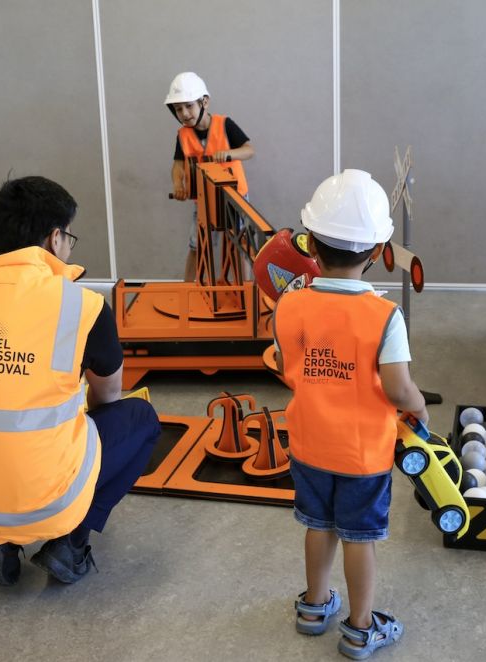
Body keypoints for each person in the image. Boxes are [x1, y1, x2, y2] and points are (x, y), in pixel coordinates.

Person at [0, 176, 161, 587]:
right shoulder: (81, 306)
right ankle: (70, 543)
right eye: (69, 237)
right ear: (54, 238)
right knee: (138, 418)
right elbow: (109, 397)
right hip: (47, 499)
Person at [273, 170, 426, 659]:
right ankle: (361, 628)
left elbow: (283, 361)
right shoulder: (384, 317)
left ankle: (314, 607)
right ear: (378, 248)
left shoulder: (290, 304)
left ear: (312, 244)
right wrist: (418, 406)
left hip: (309, 442)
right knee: (360, 536)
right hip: (363, 453)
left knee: (319, 525)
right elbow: (399, 388)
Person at [166, 72, 254, 281]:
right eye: (178, 109)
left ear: (204, 101)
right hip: (204, 201)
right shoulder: (183, 135)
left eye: (189, 106)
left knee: (239, 245)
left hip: (234, 198)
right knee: (197, 245)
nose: (184, 113)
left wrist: (230, 153)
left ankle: (244, 289)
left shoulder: (225, 124)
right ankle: (186, 290)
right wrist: (178, 184)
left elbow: (249, 150)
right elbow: (178, 166)